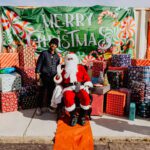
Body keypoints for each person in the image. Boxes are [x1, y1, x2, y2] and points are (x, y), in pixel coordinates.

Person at [52, 53, 93, 126]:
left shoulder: (80, 67)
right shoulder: (63, 69)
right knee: (68, 98)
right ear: (66, 60)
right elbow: (60, 81)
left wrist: (87, 84)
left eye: (72, 59)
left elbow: (86, 77)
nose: (70, 60)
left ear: (75, 59)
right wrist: (58, 75)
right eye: (69, 59)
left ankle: (82, 116)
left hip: (79, 86)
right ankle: (73, 115)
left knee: (85, 97)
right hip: (68, 87)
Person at [35, 38, 60, 115]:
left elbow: (57, 66)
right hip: (44, 77)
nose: (53, 45)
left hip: (53, 78)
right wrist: (37, 74)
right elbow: (39, 64)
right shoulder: (44, 53)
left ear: (56, 46)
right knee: (41, 92)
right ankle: (38, 108)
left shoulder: (57, 56)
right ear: (50, 44)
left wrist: (58, 75)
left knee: (51, 92)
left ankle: (50, 106)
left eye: (55, 44)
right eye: (52, 43)